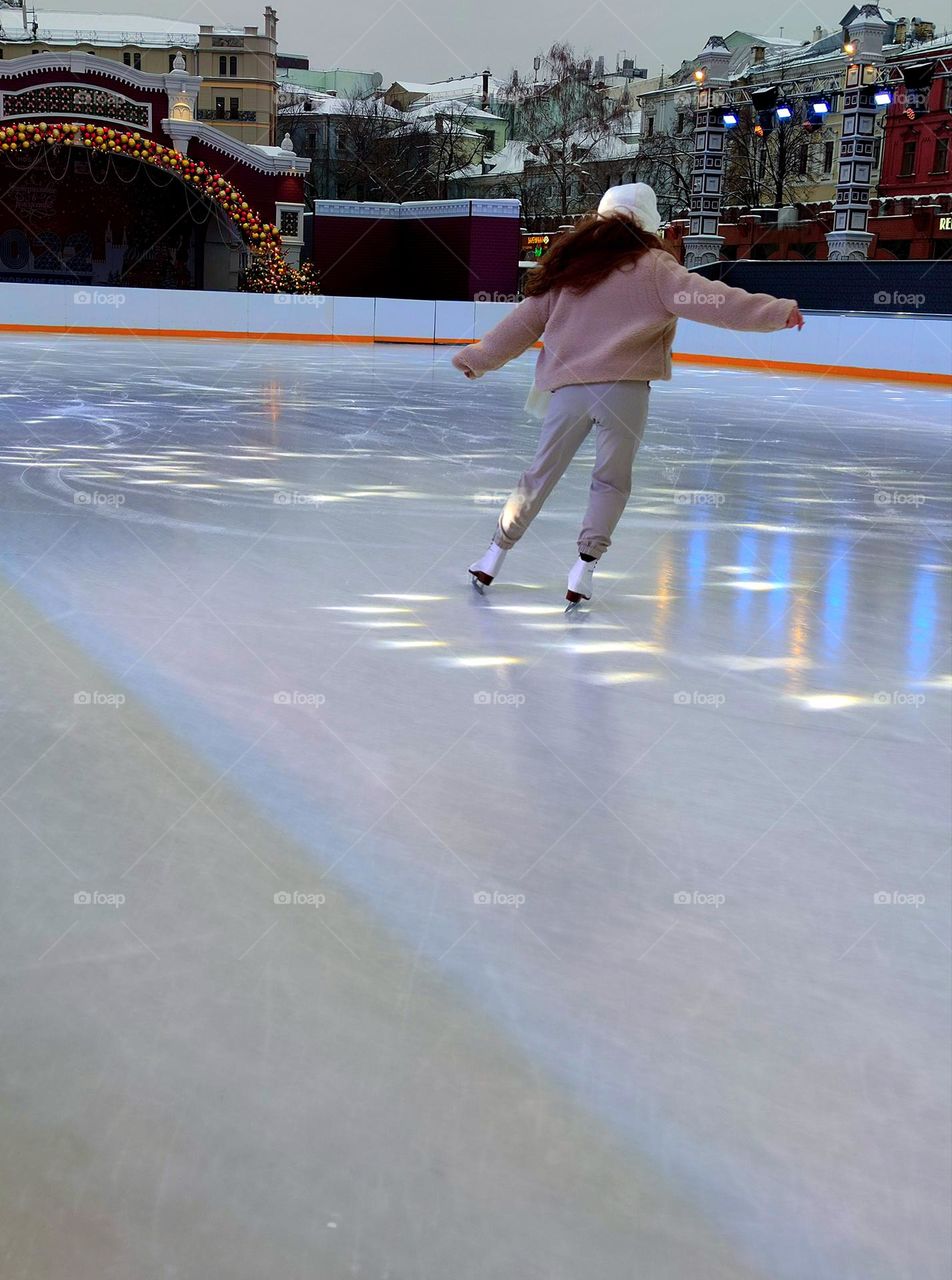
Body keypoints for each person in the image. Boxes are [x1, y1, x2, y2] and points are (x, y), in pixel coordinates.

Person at [452, 183, 804, 605]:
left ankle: (493, 555)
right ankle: (583, 570)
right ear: (649, 223)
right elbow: (713, 300)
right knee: (611, 482)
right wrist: (776, 311)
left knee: (539, 475)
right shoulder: (656, 267)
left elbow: (524, 321)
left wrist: (479, 358)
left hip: (569, 392)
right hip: (625, 393)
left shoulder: (573, 268)